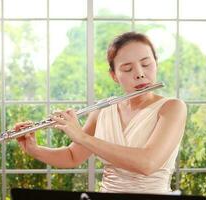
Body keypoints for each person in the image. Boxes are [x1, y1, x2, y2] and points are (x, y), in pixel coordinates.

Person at [14, 32, 187, 194]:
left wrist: (82, 136)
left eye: (146, 64)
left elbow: (148, 163)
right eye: (127, 69)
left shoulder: (172, 108)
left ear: (156, 64)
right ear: (114, 75)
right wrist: (35, 150)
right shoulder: (103, 110)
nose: (140, 74)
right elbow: (72, 156)